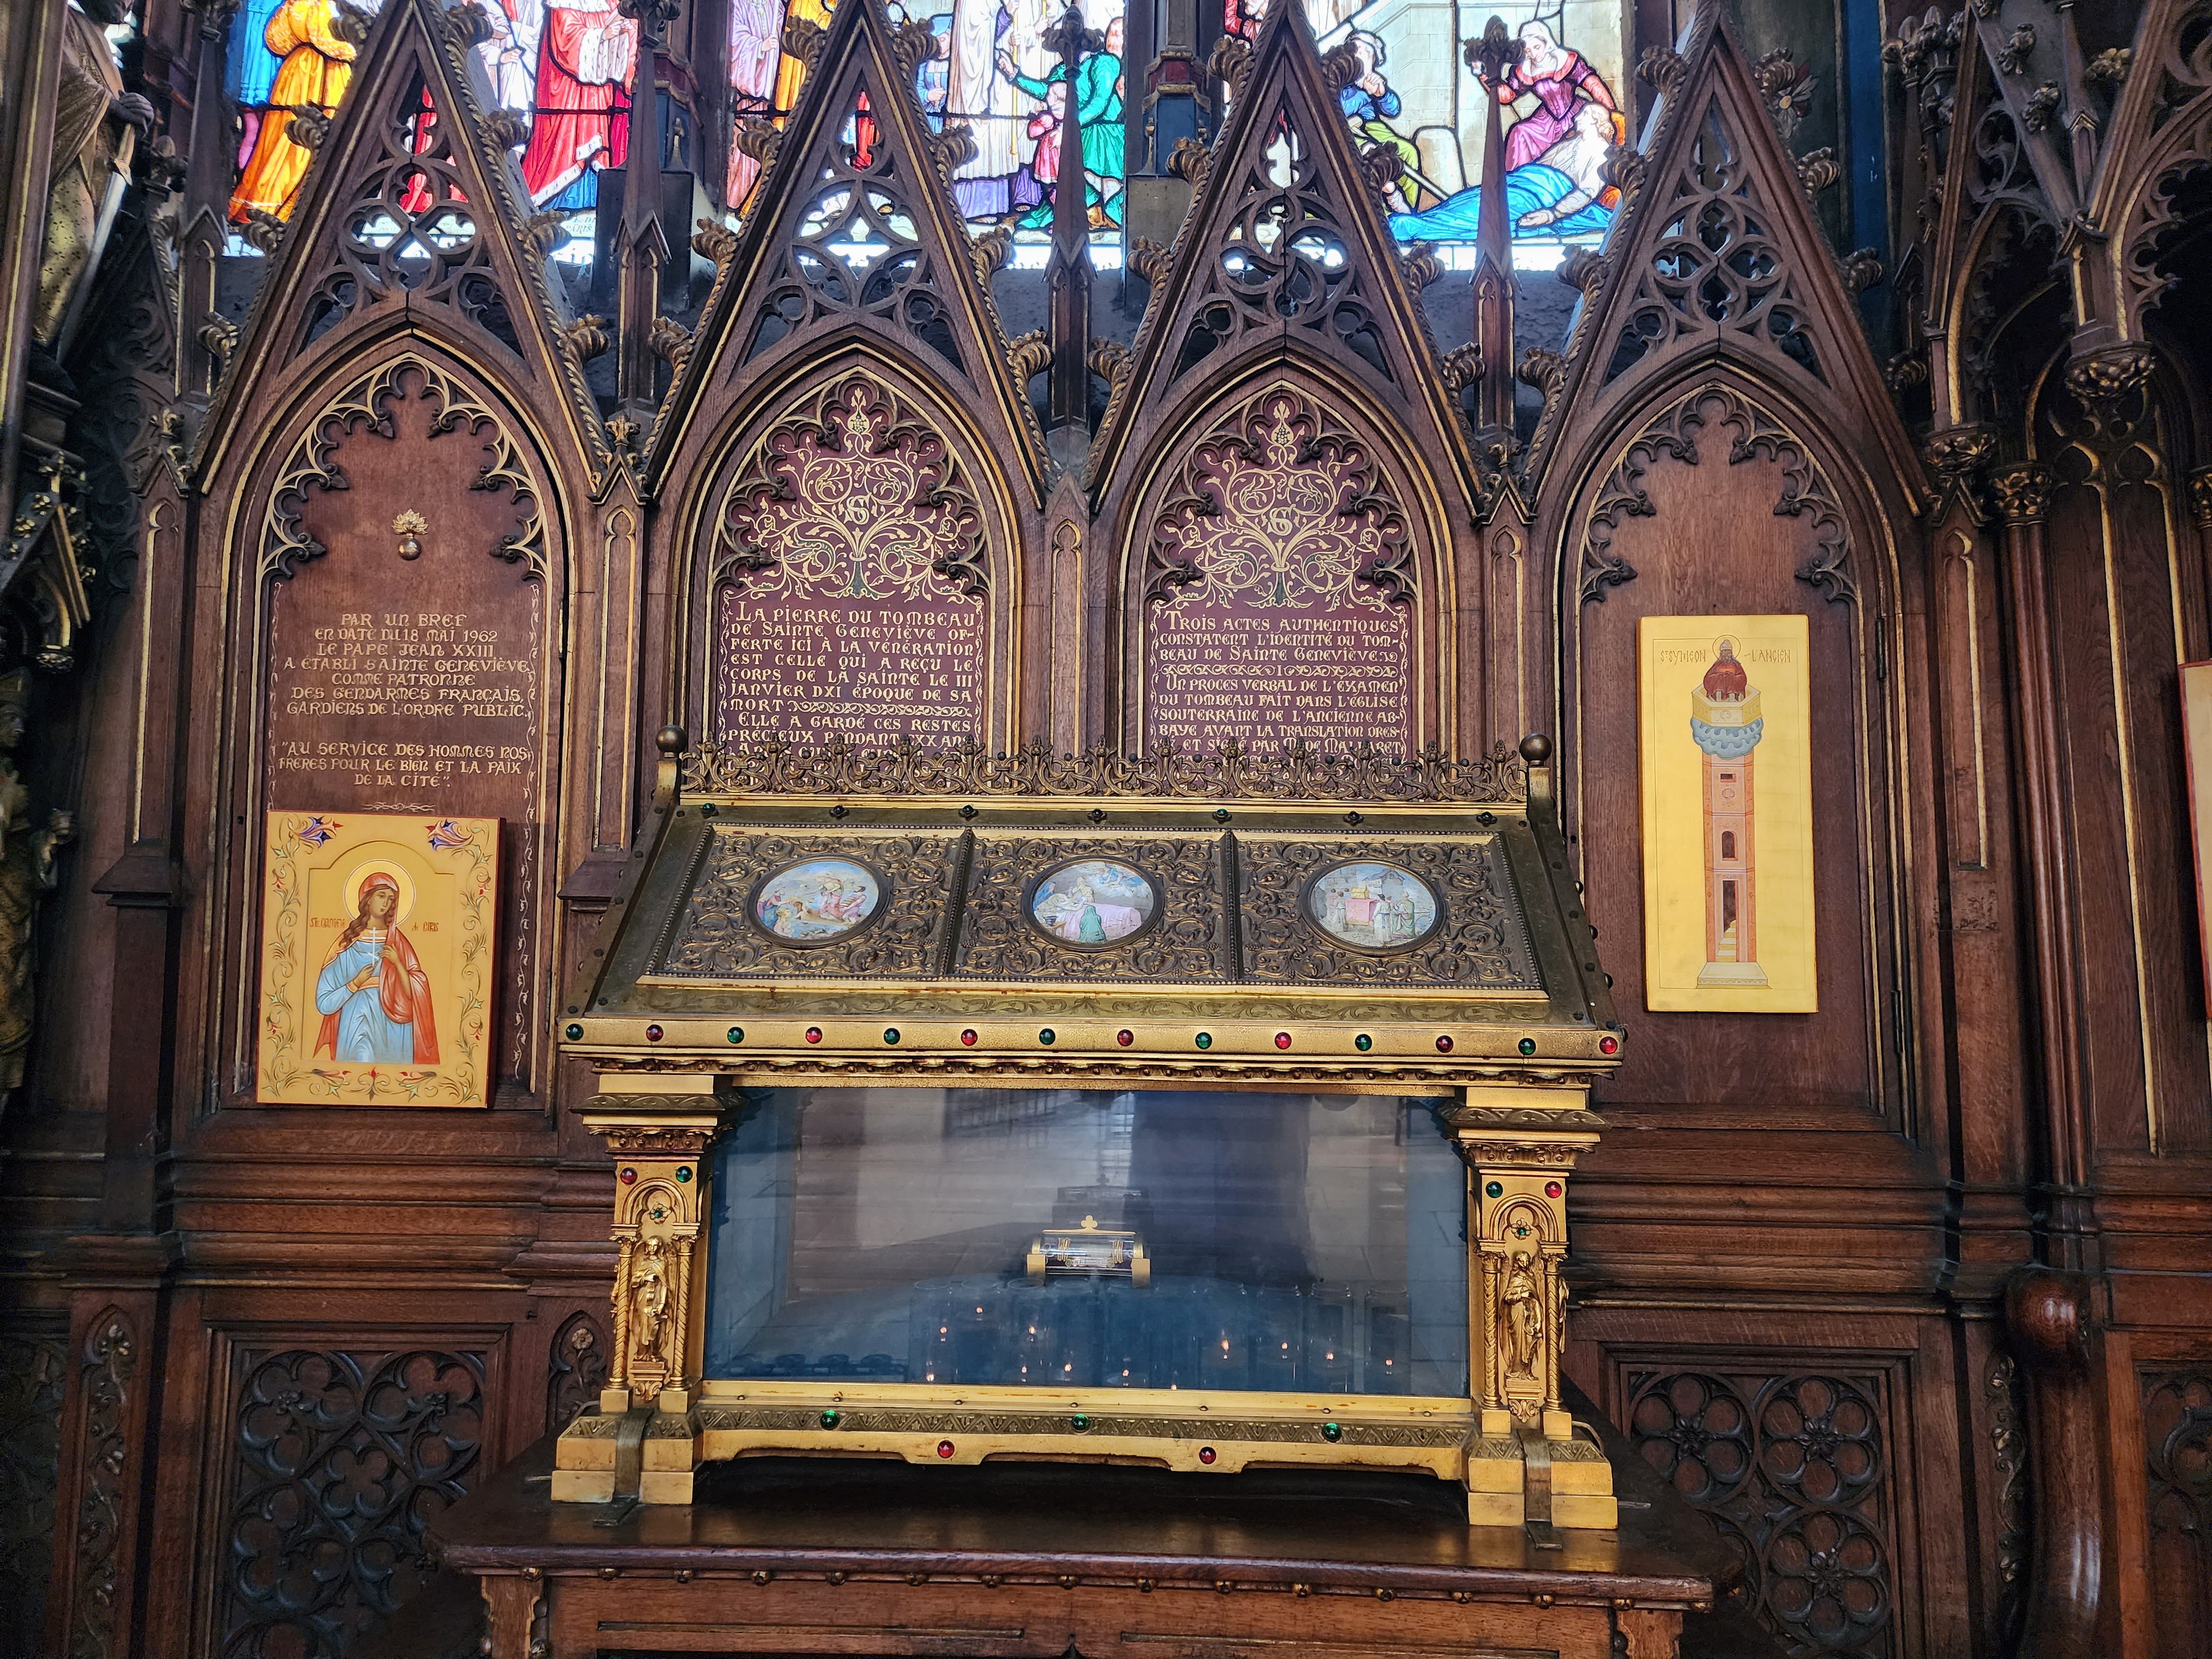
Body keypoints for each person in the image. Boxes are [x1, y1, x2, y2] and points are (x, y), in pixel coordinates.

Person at [229, 0, 356, 224]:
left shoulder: (294, 5)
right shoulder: (313, 5)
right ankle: (285, 208)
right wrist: (356, 46)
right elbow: (329, 41)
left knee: (291, 139)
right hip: (315, 79)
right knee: (291, 141)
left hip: (300, 75)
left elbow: (277, 39)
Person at [1003, 14, 1125, 229]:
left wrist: (1069, 126)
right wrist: (1015, 76)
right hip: (1077, 130)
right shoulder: (1063, 69)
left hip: (1104, 131)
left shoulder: (1104, 63)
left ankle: (1100, 212)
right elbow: (1047, 91)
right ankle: (1066, 213)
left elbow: (1099, 103)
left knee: (1088, 153)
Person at [519, 0, 638, 206]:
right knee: (567, 154)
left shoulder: (613, 4)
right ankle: (556, 207)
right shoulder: (563, 3)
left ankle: (595, 204)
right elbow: (567, 44)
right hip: (567, 97)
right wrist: (604, 36)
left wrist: (622, 33)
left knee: (598, 152)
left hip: (601, 98)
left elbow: (630, 47)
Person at [314, 873, 440, 1065]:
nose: (386, 904)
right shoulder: (346, 944)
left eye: (391, 899)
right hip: (356, 1020)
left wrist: (398, 963)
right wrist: (355, 983)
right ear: (368, 898)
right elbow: (324, 1002)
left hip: (394, 1026)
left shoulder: (398, 943)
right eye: (381, 896)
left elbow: (416, 991)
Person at [1494, 19, 1618, 173]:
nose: (1533, 54)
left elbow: (1592, 84)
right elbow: (1508, 96)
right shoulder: (1525, 69)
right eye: (1528, 51)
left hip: (1574, 113)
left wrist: (1610, 112)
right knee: (1519, 132)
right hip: (1546, 122)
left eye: (1537, 47)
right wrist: (1487, 77)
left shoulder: (1566, 60)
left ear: (1546, 42)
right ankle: (1518, 181)